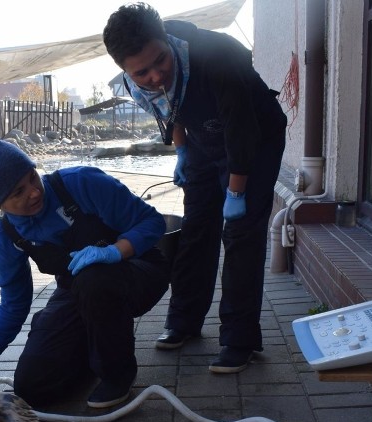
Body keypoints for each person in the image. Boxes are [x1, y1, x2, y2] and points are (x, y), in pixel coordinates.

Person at [103, 2, 287, 374]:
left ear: (167, 41)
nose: (155, 75)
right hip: (204, 142)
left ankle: (239, 339)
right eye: (142, 72)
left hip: (256, 137)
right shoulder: (132, 81)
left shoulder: (217, 56)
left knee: (240, 234)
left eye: (160, 61)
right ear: (125, 70)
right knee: (197, 227)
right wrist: (183, 152)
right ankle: (184, 320)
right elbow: (172, 109)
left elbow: (242, 131)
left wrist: (236, 194)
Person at [0, 133, 170, 409]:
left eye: (31, 177)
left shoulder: (82, 182)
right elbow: (14, 304)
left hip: (138, 270)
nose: (33, 192)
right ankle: (89, 351)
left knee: (94, 280)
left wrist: (113, 251)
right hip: (76, 291)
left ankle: (117, 375)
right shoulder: (5, 236)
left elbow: (151, 222)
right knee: (32, 387)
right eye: (18, 192)